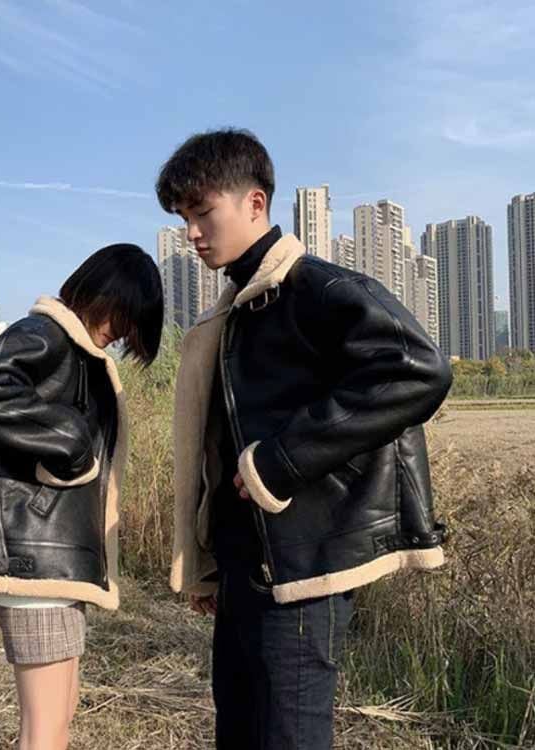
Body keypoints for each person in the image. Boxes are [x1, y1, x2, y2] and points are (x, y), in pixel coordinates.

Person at [157, 129, 453, 749]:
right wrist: (213, 564)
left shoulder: (314, 289)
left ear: (255, 203)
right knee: (238, 730)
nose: (192, 234)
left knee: (289, 738)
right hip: (246, 567)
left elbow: (416, 370)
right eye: (184, 219)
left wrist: (282, 460)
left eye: (203, 212)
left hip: (302, 571)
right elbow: (221, 445)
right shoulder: (236, 310)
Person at [0, 243, 163, 750]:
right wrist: (71, 441)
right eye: (122, 313)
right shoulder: (48, 334)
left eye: (133, 324)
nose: (122, 331)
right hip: (34, 561)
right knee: (46, 730)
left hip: (48, 561)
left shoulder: (69, 348)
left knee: (54, 719)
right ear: (99, 291)